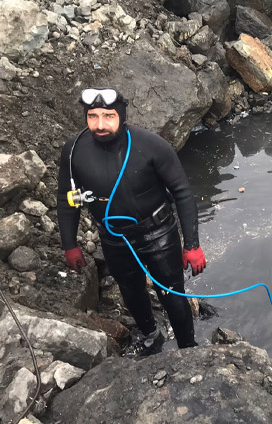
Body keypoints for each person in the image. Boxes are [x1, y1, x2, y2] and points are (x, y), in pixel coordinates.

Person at [56, 87, 207, 355]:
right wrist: (70, 245)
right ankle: (151, 335)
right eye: (92, 116)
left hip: (158, 234)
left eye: (108, 116)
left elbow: (183, 193)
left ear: (122, 116)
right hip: (113, 237)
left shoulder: (150, 145)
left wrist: (192, 245)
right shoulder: (74, 151)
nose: (100, 124)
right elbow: (67, 200)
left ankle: (188, 348)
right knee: (131, 290)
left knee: (172, 293)